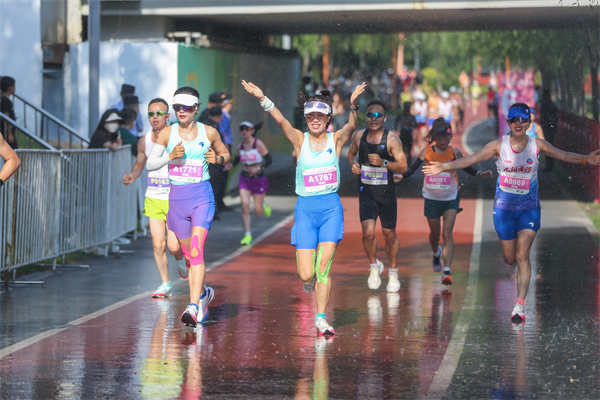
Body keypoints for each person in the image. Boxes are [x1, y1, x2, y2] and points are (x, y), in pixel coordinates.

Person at [423, 104, 600, 322]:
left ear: (528, 123)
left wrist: (585, 159)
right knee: (509, 259)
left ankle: (519, 306)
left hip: (529, 209)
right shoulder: (499, 146)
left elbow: (562, 155)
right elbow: (471, 159)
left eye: (523, 119)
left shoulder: (537, 145)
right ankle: (513, 267)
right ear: (508, 123)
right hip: (504, 210)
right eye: (514, 119)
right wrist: (443, 167)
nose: (518, 123)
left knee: (522, 254)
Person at [242, 79, 366, 335]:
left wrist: (353, 105)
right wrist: (263, 97)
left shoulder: (336, 140)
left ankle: (321, 318)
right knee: (306, 273)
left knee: (323, 269)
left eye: (320, 115)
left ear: (328, 117)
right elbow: (280, 121)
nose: (315, 120)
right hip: (306, 212)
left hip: (331, 209)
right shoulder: (299, 140)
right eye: (311, 116)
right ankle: (309, 282)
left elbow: (352, 125)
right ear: (307, 119)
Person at [147, 87, 230, 327]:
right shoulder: (166, 133)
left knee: (196, 252)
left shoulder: (209, 132)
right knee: (184, 253)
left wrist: (220, 159)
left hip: (201, 197)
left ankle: (194, 306)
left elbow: (226, 154)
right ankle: (203, 293)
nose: (181, 111)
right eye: (177, 107)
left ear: (196, 108)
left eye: (186, 107)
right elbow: (151, 164)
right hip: (177, 201)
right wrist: (169, 157)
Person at [397, 118, 492, 285]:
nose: (442, 140)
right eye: (439, 137)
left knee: (447, 232)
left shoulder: (455, 153)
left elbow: (467, 167)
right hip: (432, 199)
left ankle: (447, 272)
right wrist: (401, 176)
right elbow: (411, 170)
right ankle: (436, 253)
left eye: (445, 137)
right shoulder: (426, 152)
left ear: (449, 137)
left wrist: (479, 174)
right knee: (435, 234)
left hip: (450, 198)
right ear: (434, 137)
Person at [122, 98, 189, 298]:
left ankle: (180, 257)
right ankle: (165, 283)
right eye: (151, 114)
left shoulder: (178, 137)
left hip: (174, 198)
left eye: (159, 113)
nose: (155, 117)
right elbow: (140, 164)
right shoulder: (144, 141)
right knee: (158, 244)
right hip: (153, 197)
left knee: (173, 246)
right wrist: (132, 176)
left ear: (167, 116)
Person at [347, 99, 407, 292]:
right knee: (368, 234)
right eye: (370, 115)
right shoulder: (358, 137)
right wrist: (353, 164)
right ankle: (374, 266)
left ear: (384, 118)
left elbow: (403, 166)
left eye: (378, 115)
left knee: (389, 236)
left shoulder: (391, 140)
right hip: (366, 193)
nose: (373, 119)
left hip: (387, 195)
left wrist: (384, 163)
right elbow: (350, 154)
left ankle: (393, 272)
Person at [224, 121, 272, 246]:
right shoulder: (240, 147)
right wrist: (231, 165)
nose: (244, 131)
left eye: (247, 129)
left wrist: (259, 169)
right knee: (245, 205)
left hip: (258, 178)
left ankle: (263, 205)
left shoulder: (258, 144)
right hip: (245, 178)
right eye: (242, 129)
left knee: (258, 212)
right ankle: (247, 235)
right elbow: (237, 160)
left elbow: (269, 160)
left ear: (252, 131)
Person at [199, 106, 227, 220]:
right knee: (213, 187)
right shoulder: (213, 128)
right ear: (219, 117)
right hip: (212, 161)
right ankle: (212, 212)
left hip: (200, 161)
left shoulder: (201, 124)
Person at [0, 76, 18, 149]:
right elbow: (6, 116)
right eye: (14, 86)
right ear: (10, 88)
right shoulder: (5, 101)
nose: (15, 89)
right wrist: (9, 133)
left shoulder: (4, 100)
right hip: (6, 134)